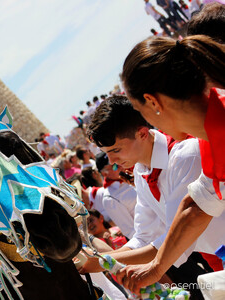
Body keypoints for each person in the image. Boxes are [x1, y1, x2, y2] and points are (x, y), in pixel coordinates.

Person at [83, 96, 220, 297]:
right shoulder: (140, 171)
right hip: (215, 259)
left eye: (116, 150)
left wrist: (101, 262)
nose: (111, 161)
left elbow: (179, 233)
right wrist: (103, 260)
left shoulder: (184, 156)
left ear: (142, 133)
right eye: (107, 153)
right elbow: (144, 235)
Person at [118, 34, 225, 293]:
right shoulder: (210, 135)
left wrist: (155, 266)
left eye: (139, 110)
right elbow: (196, 205)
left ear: (153, 102)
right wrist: (156, 267)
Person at [93, 152, 137, 239]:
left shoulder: (133, 173)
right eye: (115, 166)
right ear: (104, 174)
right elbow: (131, 231)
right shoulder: (109, 199)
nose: (120, 166)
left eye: (119, 161)